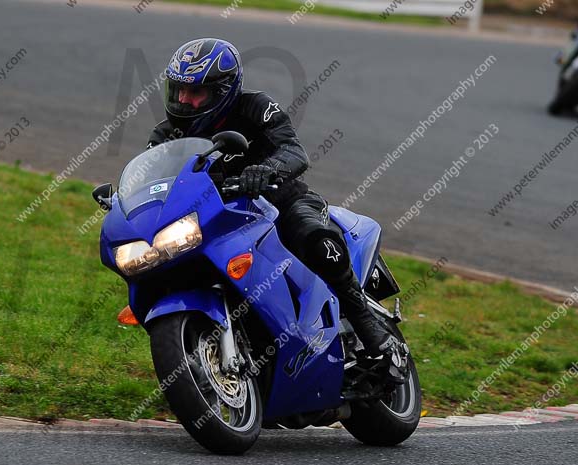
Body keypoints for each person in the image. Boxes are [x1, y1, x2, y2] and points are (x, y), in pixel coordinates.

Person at [147, 38, 407, 384]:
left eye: (195, 94)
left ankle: (366, 323)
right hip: (220, 214)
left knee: (312, 237)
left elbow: (294, 151)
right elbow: (155, 180)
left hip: (279, 199)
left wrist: (267, 170)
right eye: (178, 91)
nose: (184, 101)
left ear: (223, 89)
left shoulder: (256, 107)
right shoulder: (167, 134)